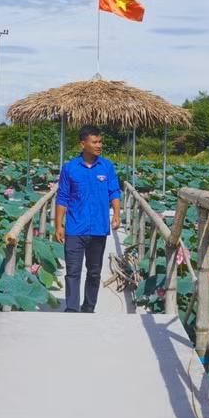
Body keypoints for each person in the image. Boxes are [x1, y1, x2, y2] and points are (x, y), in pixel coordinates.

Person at [54, 125, 121, 313]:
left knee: (94, 271)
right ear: (83, 144)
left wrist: (116, 214)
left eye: (100, 141)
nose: (99, 145)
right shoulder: (70, 168)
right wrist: (58, 225)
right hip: (75, 227)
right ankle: (72, 309)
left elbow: (114, 191)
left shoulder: (107, 166)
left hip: (99, 228)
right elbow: (62, 197)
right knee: (73, 272)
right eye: (95, 142)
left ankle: (89, 307)